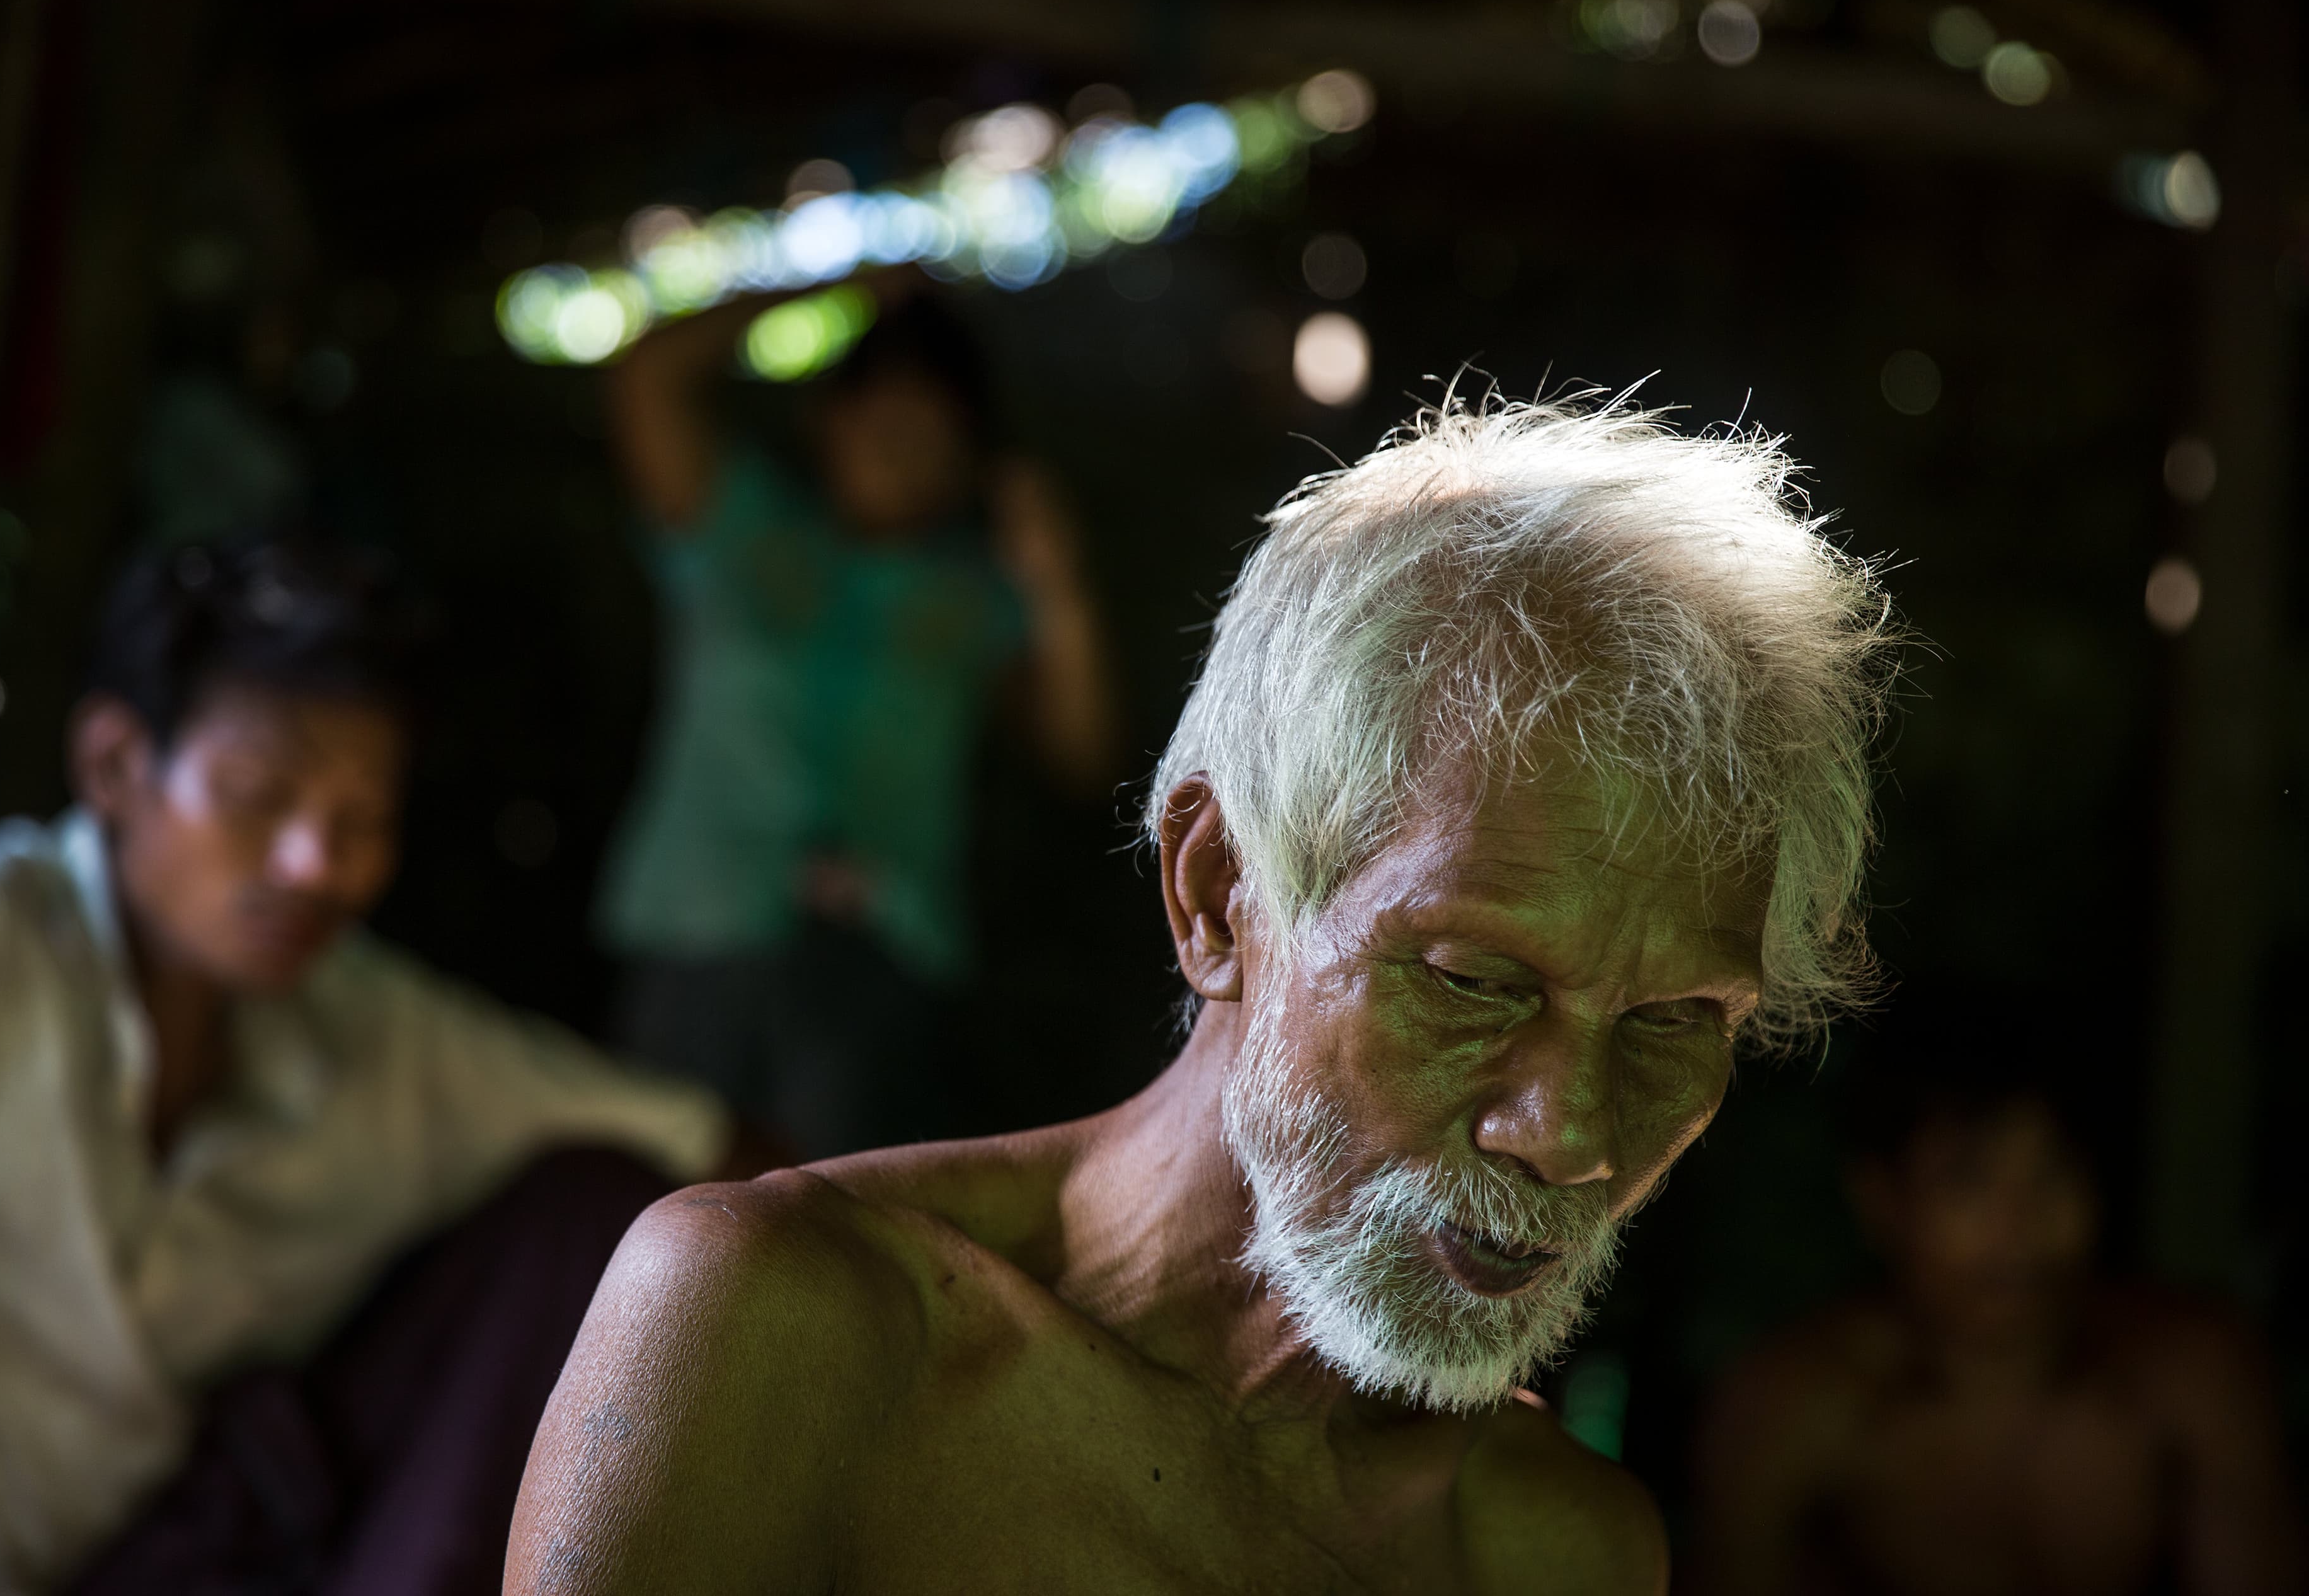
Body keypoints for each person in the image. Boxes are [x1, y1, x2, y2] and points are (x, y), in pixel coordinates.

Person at [507, 394, 1899, 1592]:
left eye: (1675, 1021)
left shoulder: (1552, 1547)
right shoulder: (790, 1331)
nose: (1574, 1131)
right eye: (1474, 980)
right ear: (1219, 888)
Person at [0, 536, 736, 1596]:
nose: (315, 866)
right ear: (114, 766)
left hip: (182, 1564)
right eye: (256, 795)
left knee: (609, 1211)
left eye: (362, 822)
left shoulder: (374, 1030)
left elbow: (707, 1148)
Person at [597, 278, 1116, 1159]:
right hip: (695, 936)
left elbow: (1081, 754)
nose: (903, 452)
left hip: (882, 966)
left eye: (932, 435)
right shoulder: (736, 527)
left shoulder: (974, 600)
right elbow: (647, 374)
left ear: (970, 461)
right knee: (653, 1222)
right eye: (882, 422)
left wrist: (1057, 584)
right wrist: (849, 286)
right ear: (825, 421)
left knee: (828, 1251)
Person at [1688, 996, 2303, 1595]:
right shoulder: (1795, 1406)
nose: (2023, 1225)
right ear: (1881, 1199)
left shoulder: (2189, 1374)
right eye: (1970, 1179)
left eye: (2055, 1170)